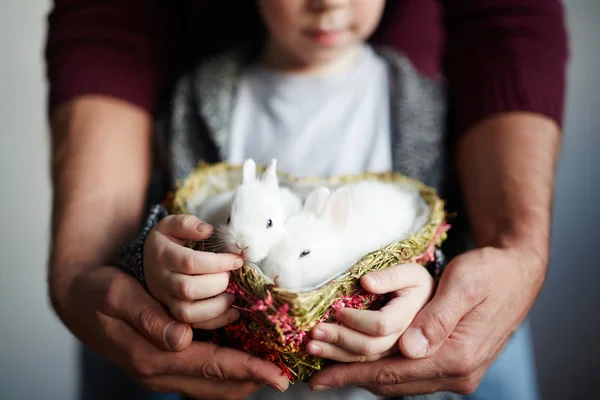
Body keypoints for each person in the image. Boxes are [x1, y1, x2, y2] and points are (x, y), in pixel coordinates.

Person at [45, 1, 568, 399]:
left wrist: (428, 284)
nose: (329, 3)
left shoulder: (424, 104)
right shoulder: (198, 100)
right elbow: (168, 219)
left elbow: (446, 236)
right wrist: (154, 265)